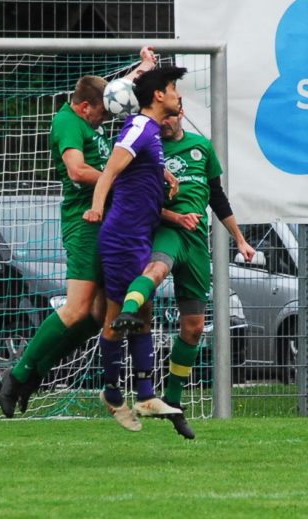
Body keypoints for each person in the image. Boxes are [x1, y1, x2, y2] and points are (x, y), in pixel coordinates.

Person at [0, 47, 158, 418]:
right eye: (101, 112)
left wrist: (143, 68)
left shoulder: (91, 113)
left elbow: (116, 92)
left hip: (108, 223)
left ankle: (36, 374)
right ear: (85, 107)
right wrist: (120, 179)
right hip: (85, 223)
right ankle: (18, 375)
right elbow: (76, 170)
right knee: (76, 309)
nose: (105, 118)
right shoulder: (68, 122)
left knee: (99, 314)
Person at [109, 107, 256, 439]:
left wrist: (240, 239)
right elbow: (136, 198)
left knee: (194, 328)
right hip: (167, 232)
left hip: (197, 242)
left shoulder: (201, 147)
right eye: (162, 117)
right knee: (157, 269)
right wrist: (173, 216)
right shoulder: (148, 150)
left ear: (181, 114)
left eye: (172, 116)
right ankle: (127, 313)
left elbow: (217, 196)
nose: (167, 122)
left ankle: (173, 400)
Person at [82, 66, 188, 432]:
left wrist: (163, 176)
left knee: (143, 314)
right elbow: (110, 173)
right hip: (122, 237)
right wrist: (97, 207)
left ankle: (145, 395)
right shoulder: (140, 127)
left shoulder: (151, 132)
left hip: (139, 236)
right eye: (173, 89)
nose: (178, 96)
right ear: (158, 96)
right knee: (118, 319)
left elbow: (137, 168)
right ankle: (114, 395)